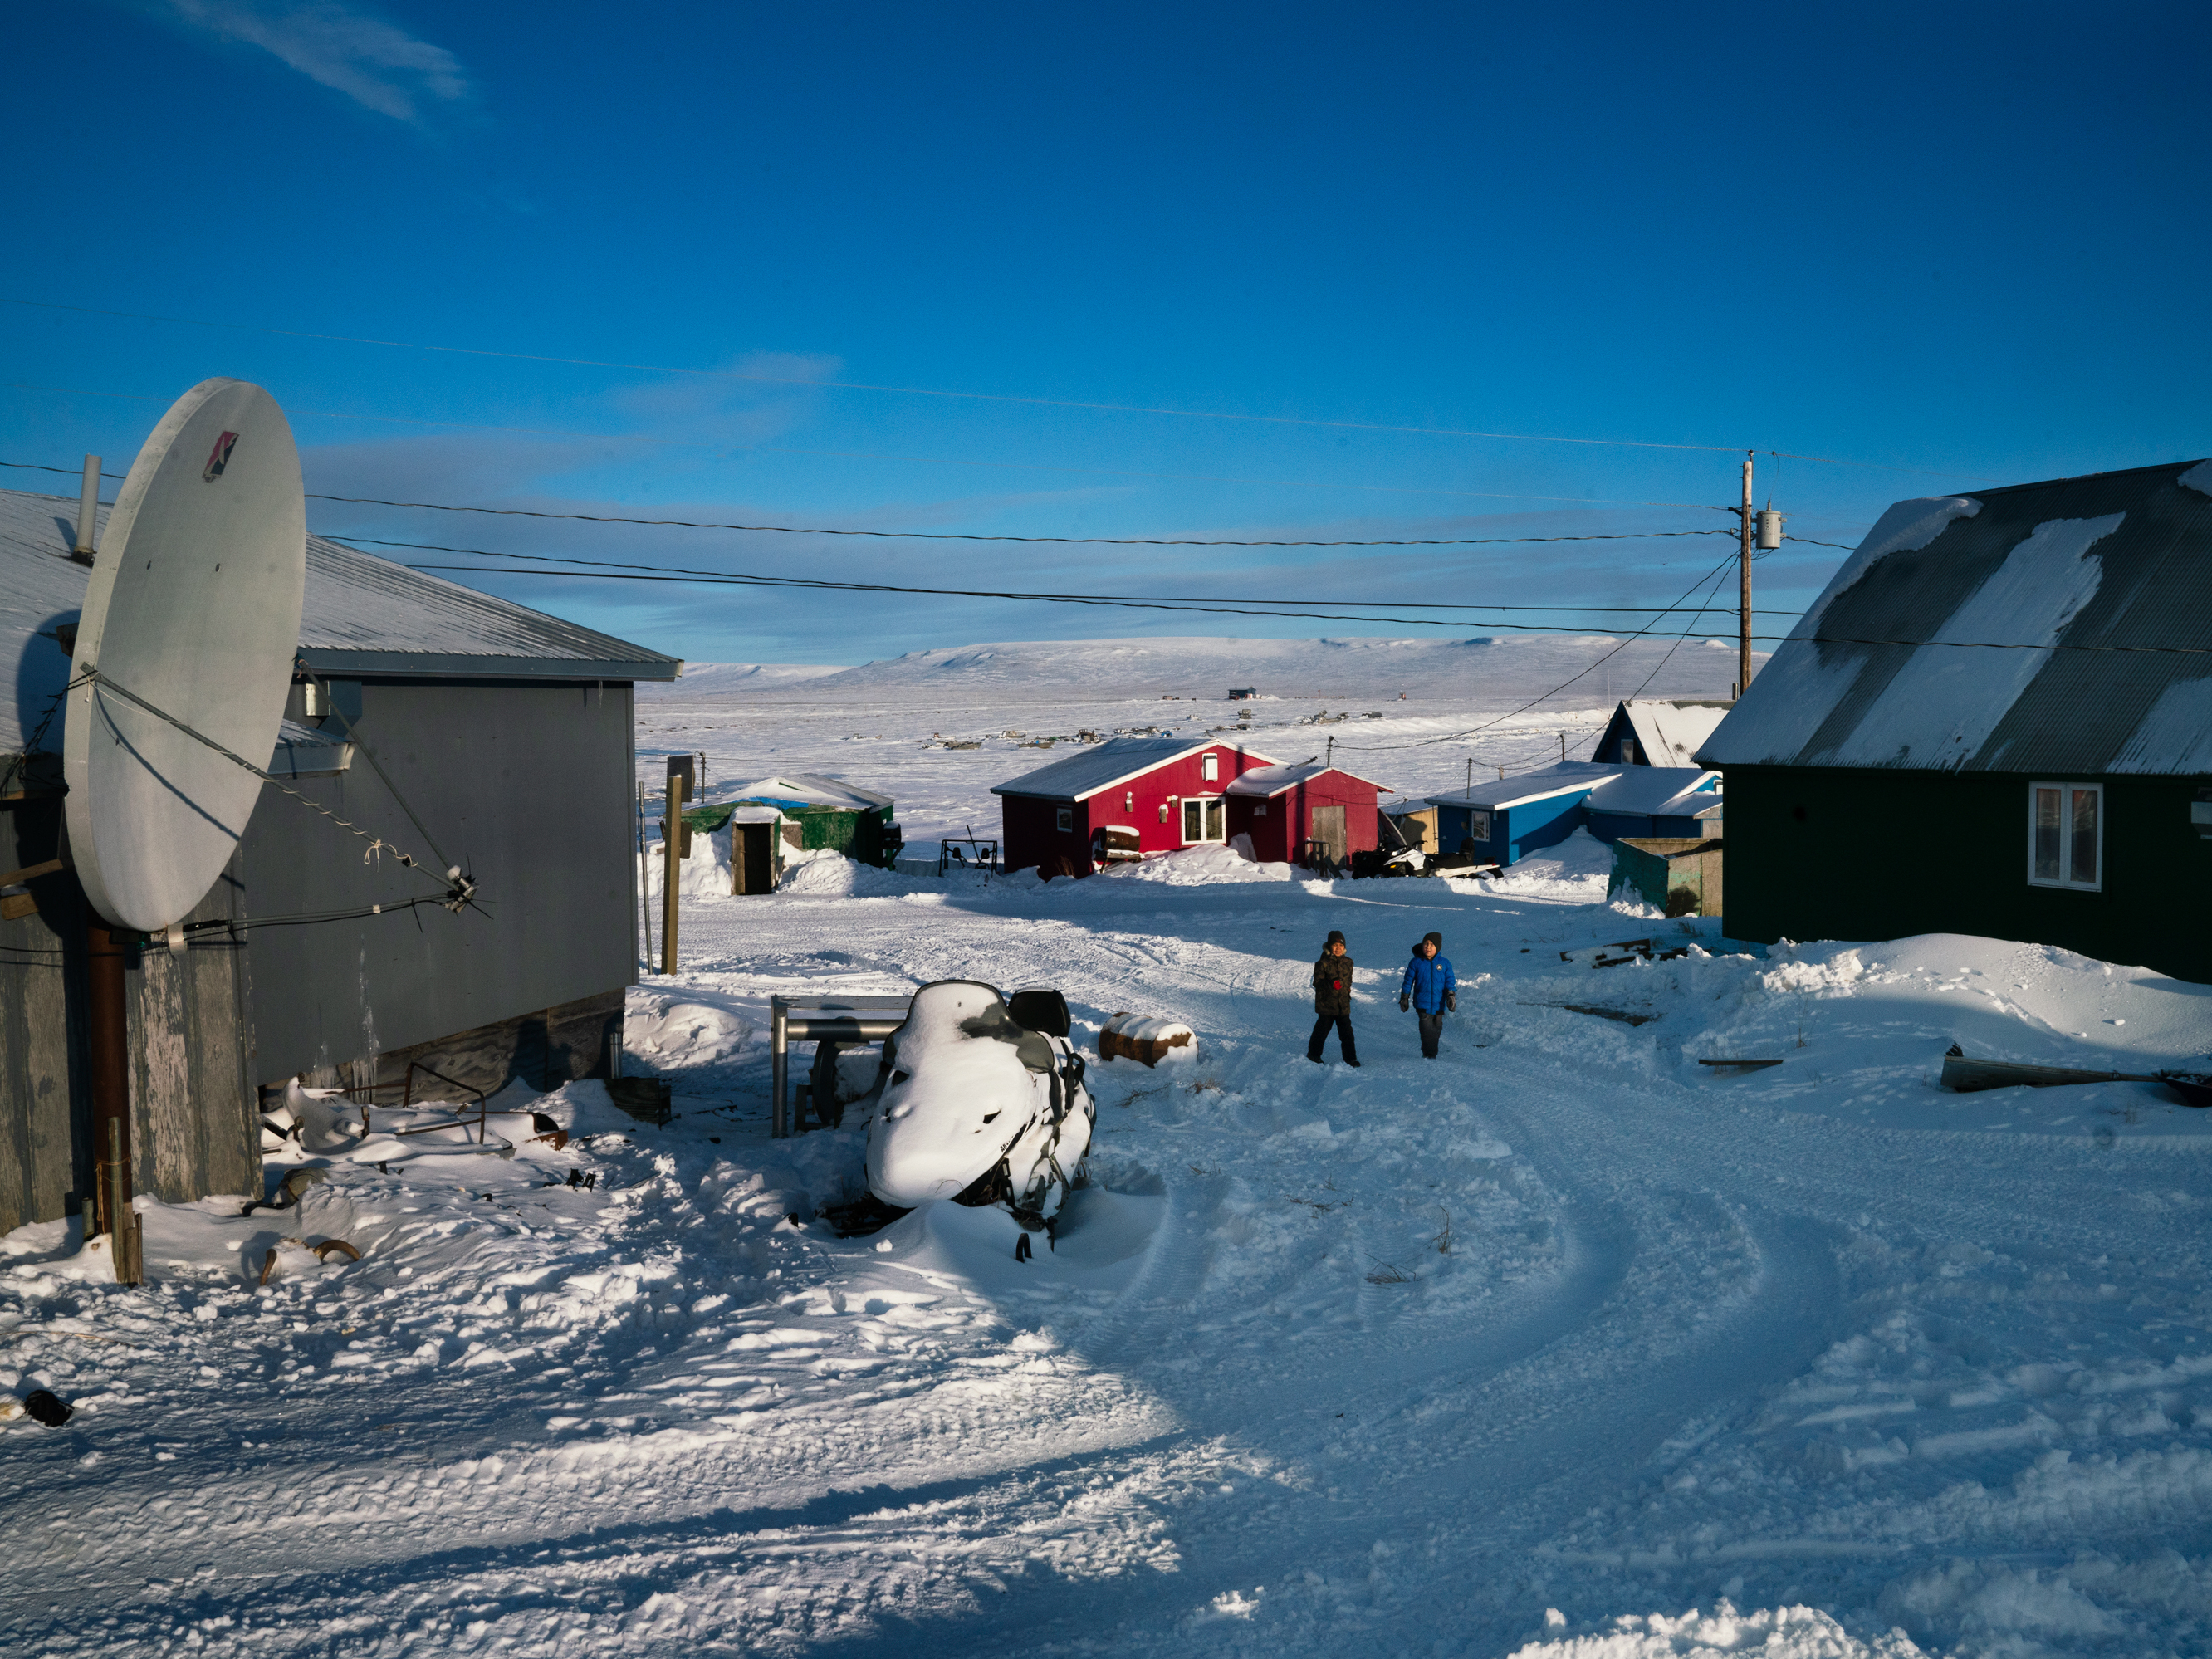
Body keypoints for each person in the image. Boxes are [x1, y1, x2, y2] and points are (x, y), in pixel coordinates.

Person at [1398, 930, 1457, 1059]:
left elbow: (1450, 980)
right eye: (1426, 944)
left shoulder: (1444, 963)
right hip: (1422, 1002)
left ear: (1438, 947)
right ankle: (1429, 1054)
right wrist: (1404, 997)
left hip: (1439, 1003)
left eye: (1432, 944)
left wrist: (1451, 995)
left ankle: (1431, 1051)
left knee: (1437, 1028)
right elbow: (1408, 981)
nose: (1428, 947)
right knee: (1426, 1029)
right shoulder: (1416, 962)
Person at [1308, 930, 1360, 1066]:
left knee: (1347, 1034)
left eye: (1341, 945)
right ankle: (1314, 1055)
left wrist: (1347, 990)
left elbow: (1348, 980)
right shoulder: (1322, 963)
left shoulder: (1349, 962)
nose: (1338, 948)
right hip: (1326, 1004)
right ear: (1329, 946)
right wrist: (1330, 984)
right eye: (1335, 945)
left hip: (1343, 1005)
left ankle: (1351, 1058)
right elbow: (1317, 982)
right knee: (1321, 1032)